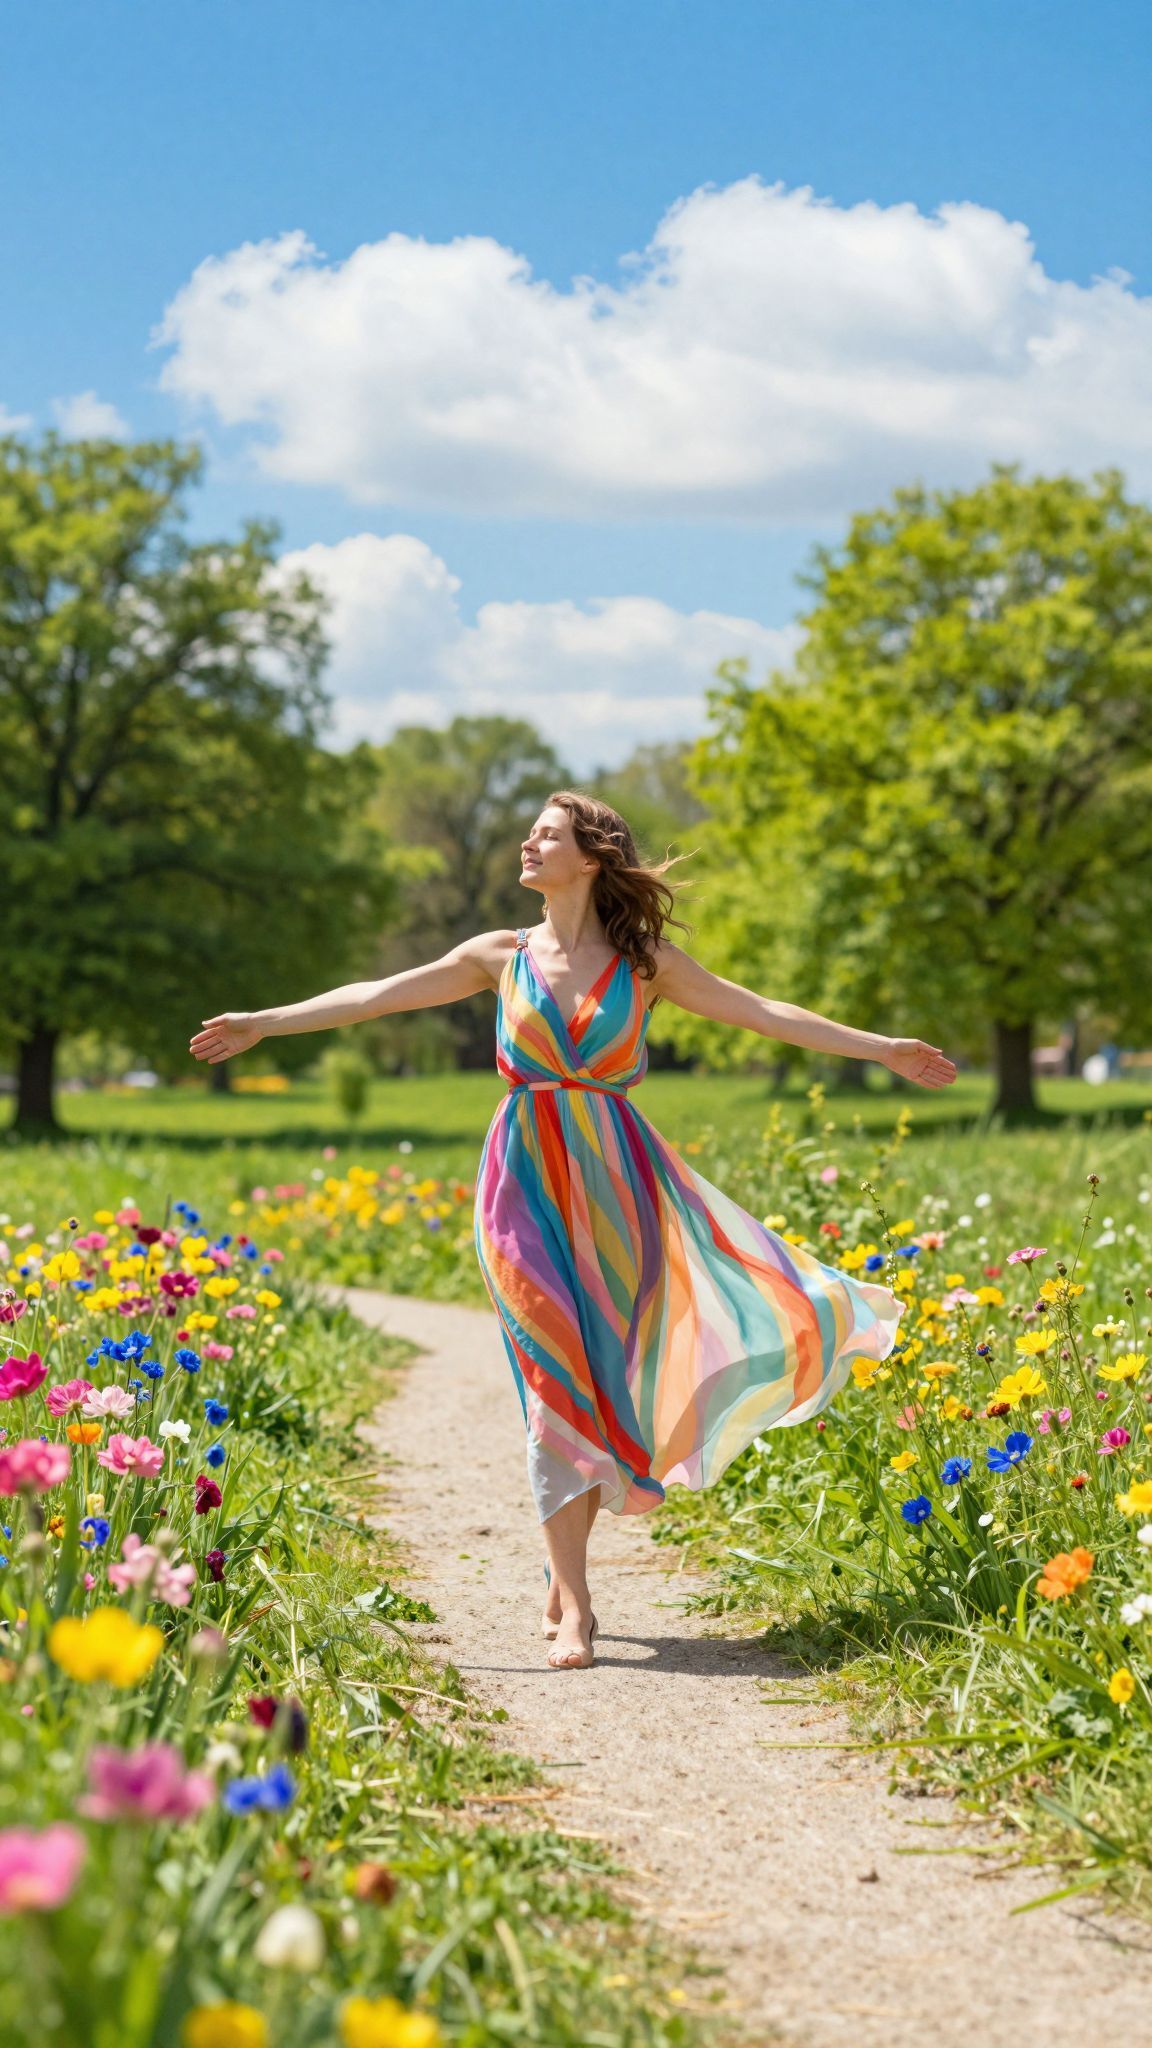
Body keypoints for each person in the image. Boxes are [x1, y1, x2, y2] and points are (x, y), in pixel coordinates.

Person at [189, 791, 956, 1674]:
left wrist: (881, 1047)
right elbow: (376, 997)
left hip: (620, 1191)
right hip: (521, 1187)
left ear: (589, 857)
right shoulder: (497, 955)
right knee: (553, 1379)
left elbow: (764, 1012)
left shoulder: (645, 963)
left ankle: (563, 1573)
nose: (527, 843)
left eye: (546, 834)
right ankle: (579, 1609)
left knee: (597, 1384)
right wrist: (264, 1023)